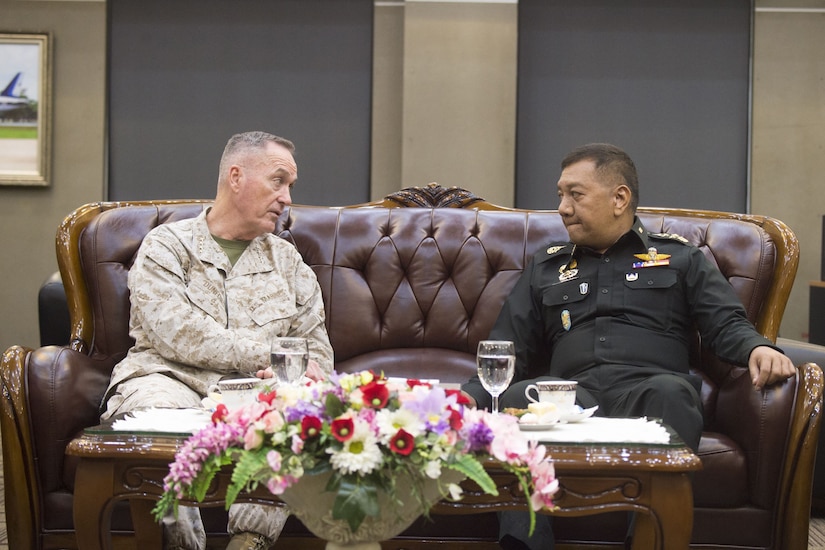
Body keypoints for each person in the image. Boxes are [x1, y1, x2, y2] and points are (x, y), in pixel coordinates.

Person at [461, 142, 796, 550]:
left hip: (650, 389)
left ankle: (649, 540)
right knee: (514, 400)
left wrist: (757, 349)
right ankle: (525, 544)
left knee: (674, 392)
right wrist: (462, 401)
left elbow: (725, 322)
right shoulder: (546, 267)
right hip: (569, 395)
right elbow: (506, 346)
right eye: (560, 195)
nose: (563, 207)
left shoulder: (680, 259)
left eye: (575, 194)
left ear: (619, 198)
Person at [100, 131, 335, 550]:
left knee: (295, 422)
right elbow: (177, 332)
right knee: (155, 418)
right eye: (278, 181)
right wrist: (272, 354)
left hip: (256, 394)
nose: (286, 198)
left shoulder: (288, 263)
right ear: (236, 176)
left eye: (291, 187)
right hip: (168, 378)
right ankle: (183, 545)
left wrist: (303, 376)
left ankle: (249, 541)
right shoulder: (167, 246)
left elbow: (316, 348)